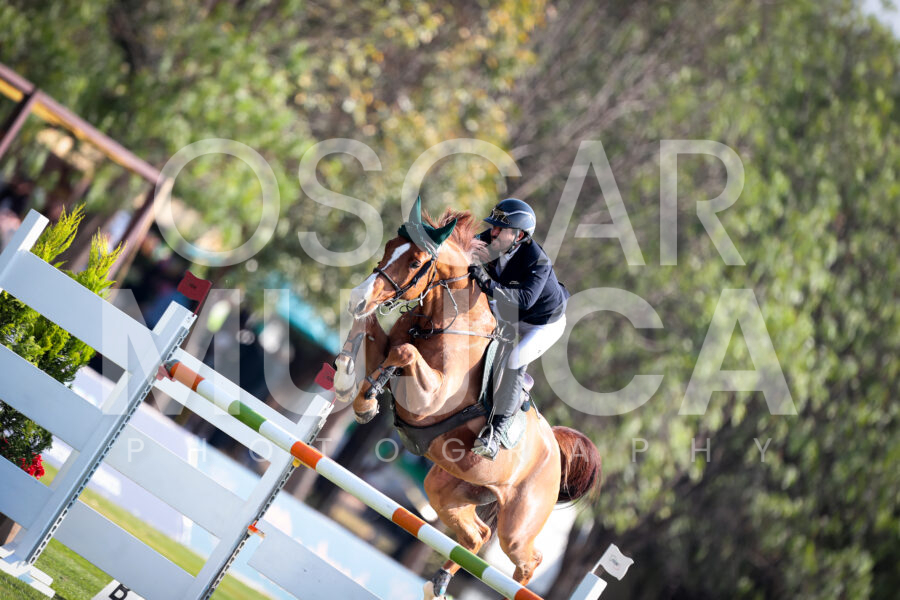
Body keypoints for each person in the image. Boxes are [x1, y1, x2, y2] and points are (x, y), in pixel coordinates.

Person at [467, 198, 570, 460]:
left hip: (543, 324)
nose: (493, 233)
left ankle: (495, 433)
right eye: (493, 227)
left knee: (514, 360)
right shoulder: (491, 240)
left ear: (519, 236)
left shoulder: (537, 261)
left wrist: (487, 284)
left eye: (500, 229)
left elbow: (525, 300)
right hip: (511, 312)